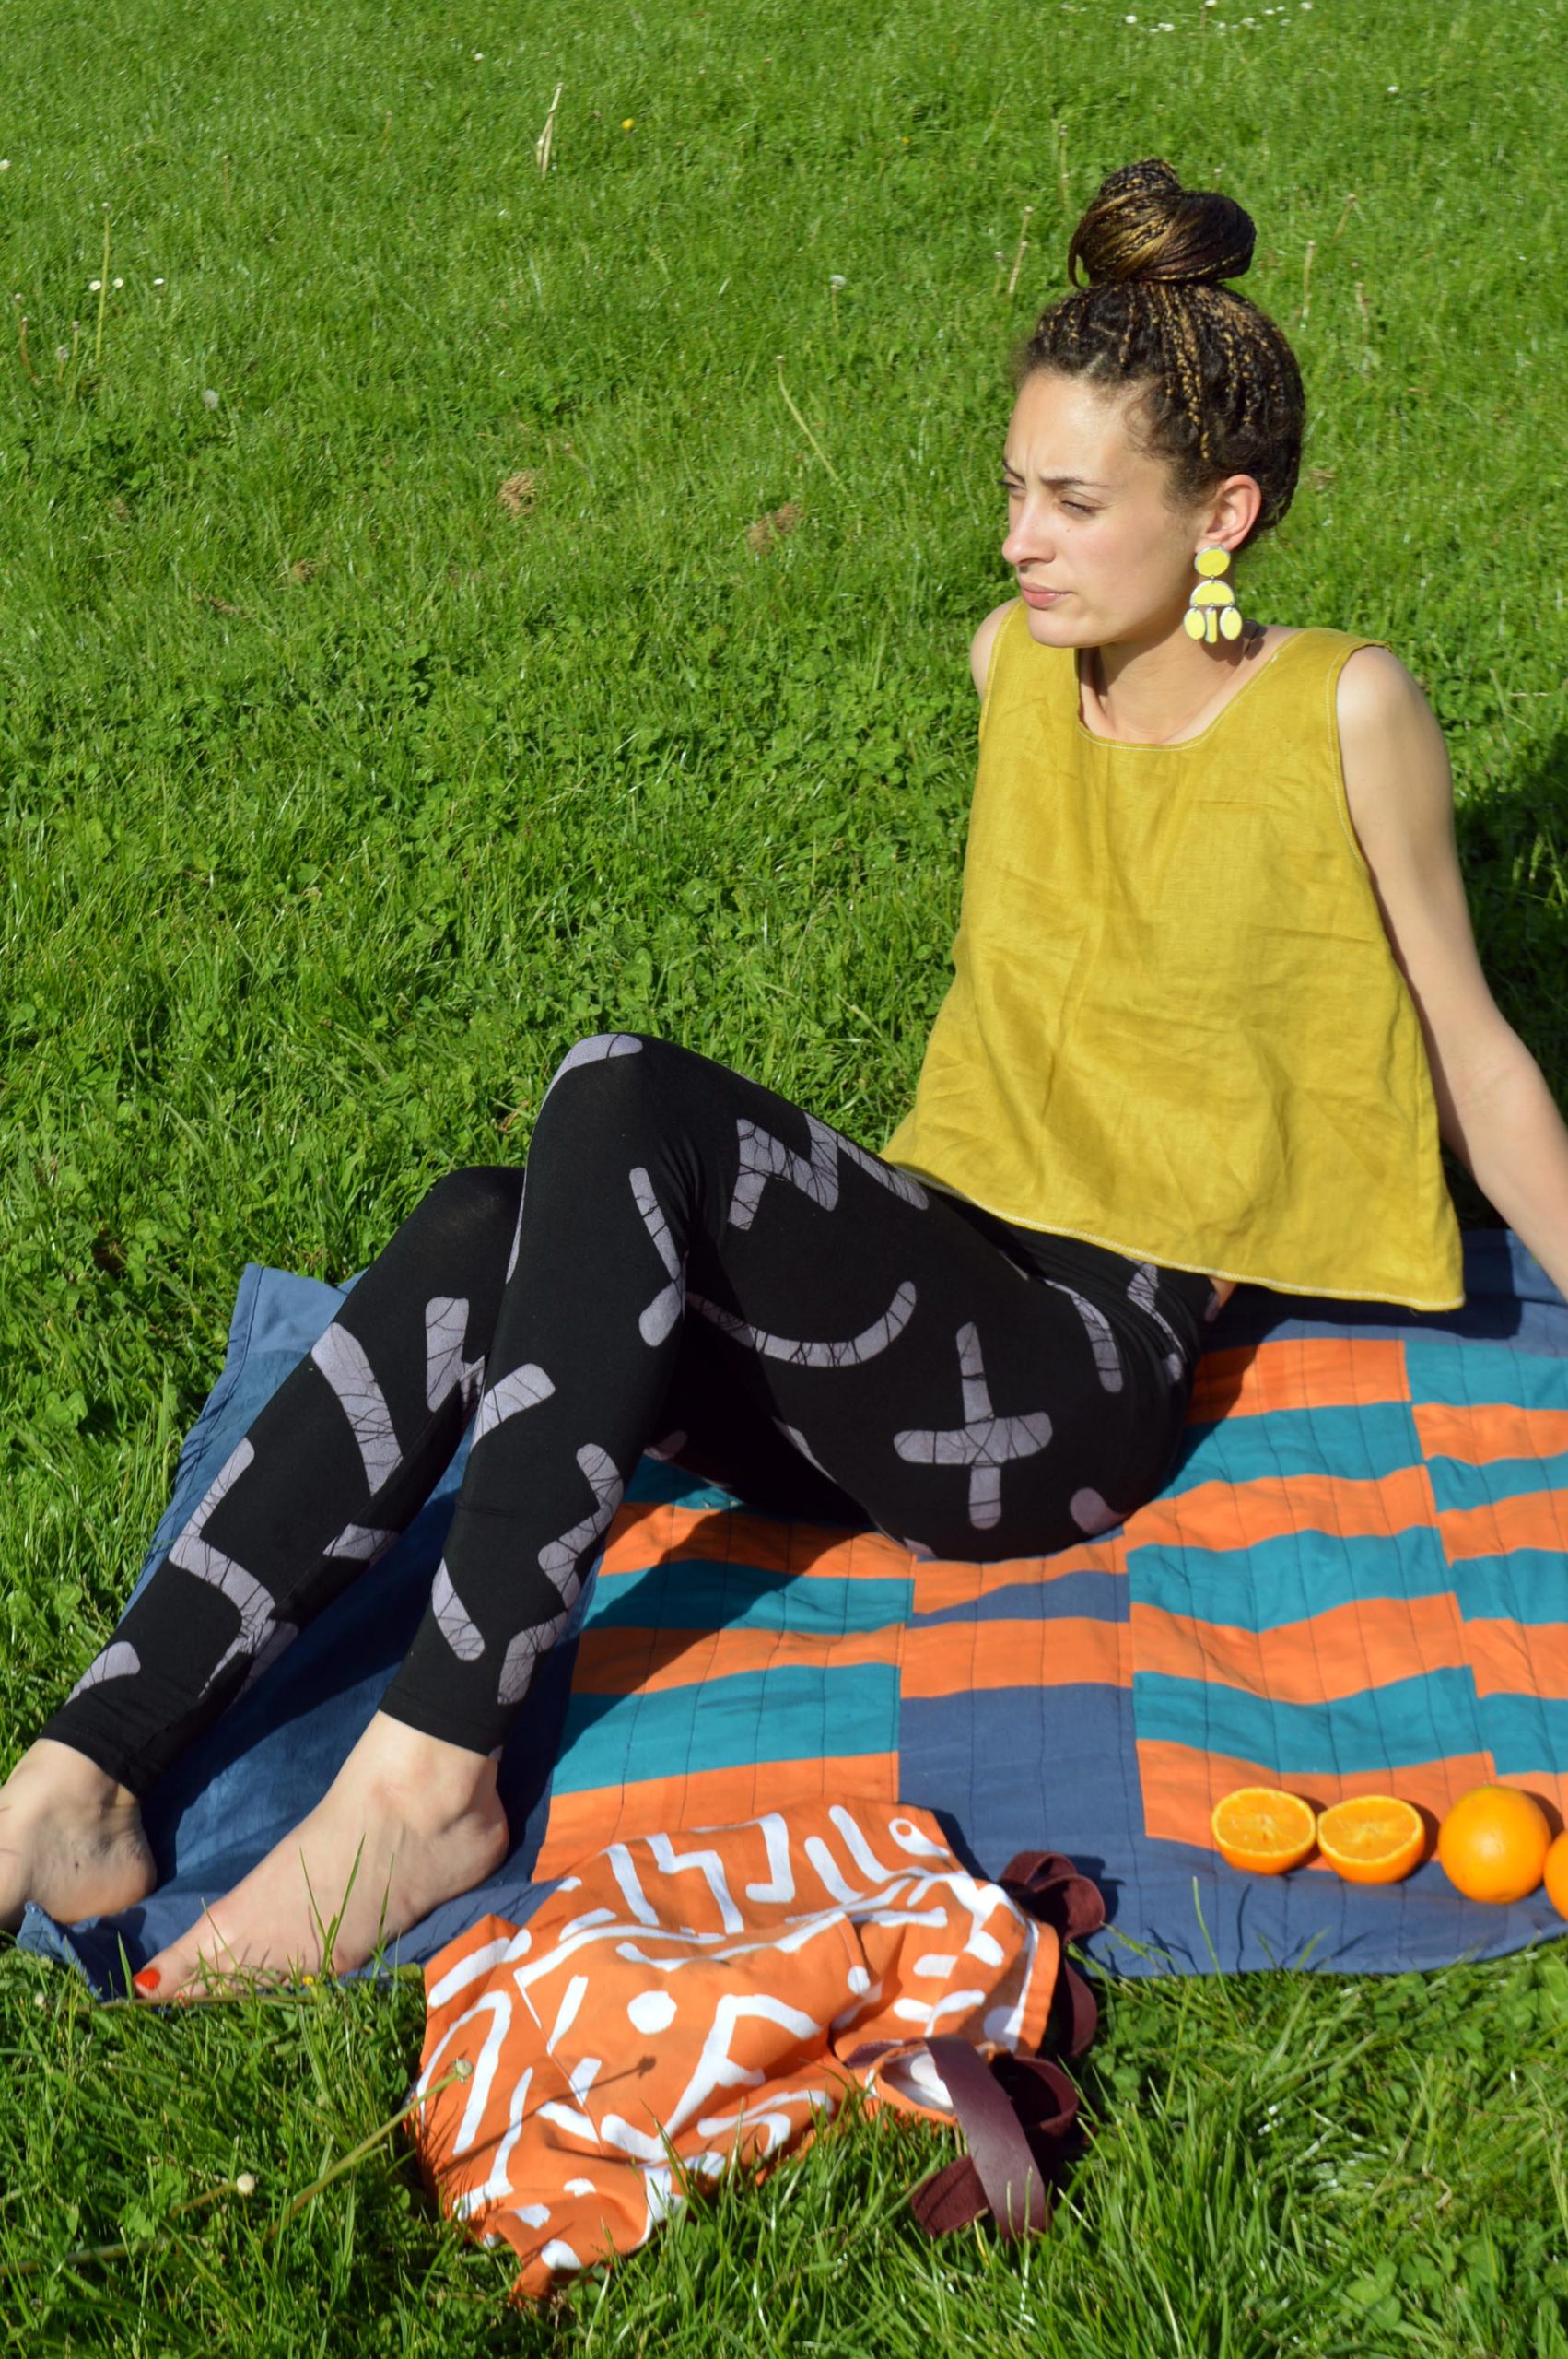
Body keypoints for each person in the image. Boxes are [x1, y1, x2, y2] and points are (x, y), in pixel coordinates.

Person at [5, 158, 1563, 2000]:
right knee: (487, 1225)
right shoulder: (1012, 668)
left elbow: (1467, 1045)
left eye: (1073, 502)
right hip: (923, 1306)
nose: (1020, 541)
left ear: (1220, 512)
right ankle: (84, 1768)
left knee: (621, 1092)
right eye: (1013, 488)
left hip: (1059, 1392)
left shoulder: (1337, 708)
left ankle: (431, 1777)